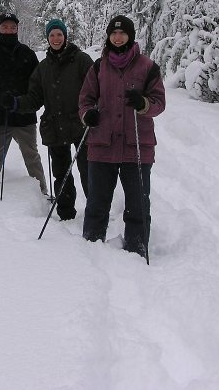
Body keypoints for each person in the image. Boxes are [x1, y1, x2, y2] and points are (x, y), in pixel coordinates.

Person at [78, 15, 166, 257]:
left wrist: (144, 104)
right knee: (96, 203)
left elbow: (159, 103)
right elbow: (85, 99)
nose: (117, 38)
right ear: (108, 36)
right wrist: (88, 115)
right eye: (113, 34)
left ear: (130, 36)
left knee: (138, 204)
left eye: (122, 33)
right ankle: (91, 249)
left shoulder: (147, 67)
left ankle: (137, 250)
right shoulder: (98, 67)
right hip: (102, 144)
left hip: (136, 146)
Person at [1, 19, 93, 220]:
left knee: (88, 171)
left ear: (65, 36)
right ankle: (66, 212)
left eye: (59, 34)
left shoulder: (82, 61)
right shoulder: (43, 68)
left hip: (81, 124)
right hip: (55, 125)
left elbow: (97, 89)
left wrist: (94, 111)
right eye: (52, 35)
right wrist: (15, 103)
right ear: (47, 38)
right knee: (61, 173)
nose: (56, 38)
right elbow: (34, 98)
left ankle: (95, 213)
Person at [0, 12, 47, 194]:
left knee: (33, 159)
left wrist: (30, 104)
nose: (9, 30)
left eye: (13, 27)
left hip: (24, 118)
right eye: (5, 27)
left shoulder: (28, 54)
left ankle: (42, 194)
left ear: (17, 29)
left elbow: (37, 87)